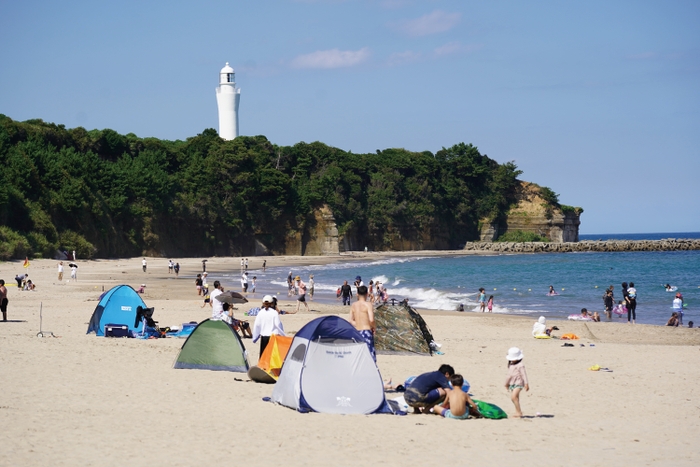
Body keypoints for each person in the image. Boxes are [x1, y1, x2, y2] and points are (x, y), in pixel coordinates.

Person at [349, 285, 376, 362]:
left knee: (358, 357)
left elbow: (350, 321)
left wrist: (358, 323)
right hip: (366, 331)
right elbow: (371, 320)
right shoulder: (368, 304)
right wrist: (374, 327)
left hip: (357, 332)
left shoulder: (353, 305)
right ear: (367, 294)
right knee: (370, 356)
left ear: (357, 294)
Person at [505, 347, 529, 418]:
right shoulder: (511, 365)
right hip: (512, 383)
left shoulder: (520, 365)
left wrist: (526, 383)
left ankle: (519, 412)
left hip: (519, 383)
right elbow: (509, 375)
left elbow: (524, 374)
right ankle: (518, 411)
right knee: (516, 398)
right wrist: (506, 384)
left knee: (513, 397)